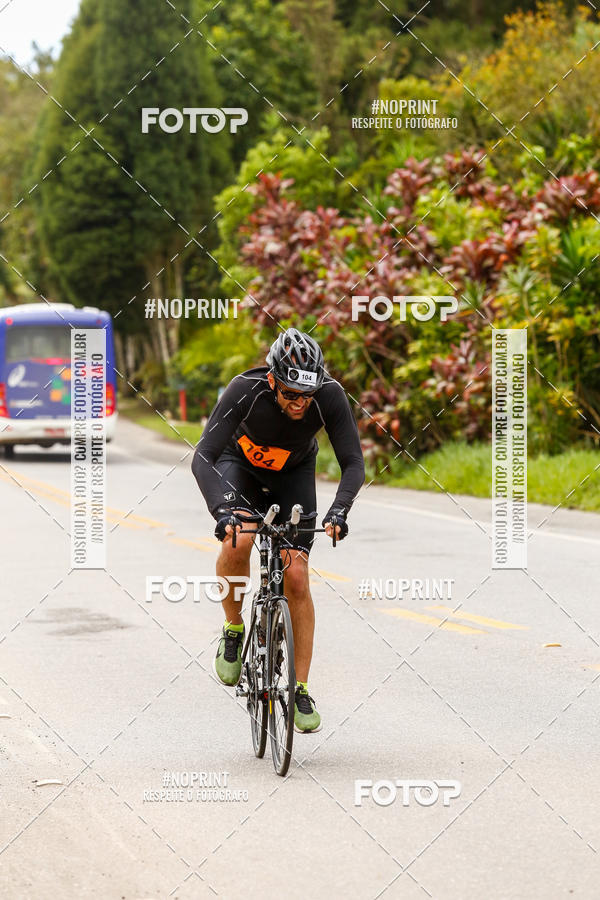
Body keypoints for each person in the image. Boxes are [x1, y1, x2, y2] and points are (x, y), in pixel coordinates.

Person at [192, 328, 364, 732]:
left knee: (297, 575)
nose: (300, 403)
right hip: (240, 466)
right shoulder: (245, 390)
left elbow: (353, 463)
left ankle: (300, 688)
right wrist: (221, 512)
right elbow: (203, 457)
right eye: (290, 394)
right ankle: (234, 628)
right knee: (239, 539)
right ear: (273, 380)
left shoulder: (330, 396)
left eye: (307, 394)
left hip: (294, 473)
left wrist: (339, 511)